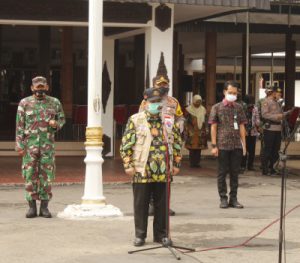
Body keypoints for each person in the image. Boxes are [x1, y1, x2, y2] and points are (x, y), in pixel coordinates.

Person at [120, 87, 182, 247]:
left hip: (163, 169)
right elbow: (126, 144)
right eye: (152, 102)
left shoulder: (168, 119)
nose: (156, 105)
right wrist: (128, 164)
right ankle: (140, 235)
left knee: (162, 205)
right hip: (142, 169)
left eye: (158, 102)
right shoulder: (135, 119)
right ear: (145, 102)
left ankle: (161, 235)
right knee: (141, 204)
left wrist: (176, 163)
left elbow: (176, 142)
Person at [15, 76, 65, 218]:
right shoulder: (24, 103)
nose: (40, 90)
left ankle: (44, 207)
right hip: (29, 147)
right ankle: (31, 207)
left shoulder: (54, 102)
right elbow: (19, 126)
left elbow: (61, 118)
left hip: (47, 146)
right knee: (29, 175)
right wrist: (19, 145)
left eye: (42, 87)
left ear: (47, 87)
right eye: (37, 87)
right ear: (32, 88)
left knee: (47, 176)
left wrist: (56, 124)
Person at [139, 75, 184, 216]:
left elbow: (180, 117)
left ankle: (164, 205)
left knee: (167, 176)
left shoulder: (173, 102)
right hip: (151, 144)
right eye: (160, 84)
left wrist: (178, 127)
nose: (163, 87)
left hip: (168, 143)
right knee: (151, 174)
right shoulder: (146, 102)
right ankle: (152, 205)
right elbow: (140, 119)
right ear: (153, 86)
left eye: (166, 84)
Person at [208, 81, 247, 209]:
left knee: (235, 173)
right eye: (230, 93)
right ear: (225, 92)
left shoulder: (239, 107)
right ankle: (223, 198)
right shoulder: (217, 107)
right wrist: (214, 146)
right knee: (222, 173)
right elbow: (213, 127)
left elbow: (241, 126)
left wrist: (244, 145)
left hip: (236, 145)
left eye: (235, 93)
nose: (233, 95)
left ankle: (233, 199)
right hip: (222, 144)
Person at [261, 86, 291, 176]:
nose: (280, 95)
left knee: (276, 150)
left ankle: (273, 168)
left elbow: (280, 115)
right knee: (268, 150)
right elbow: (264, 115)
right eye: (278, 93)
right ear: (273, 93)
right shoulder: (266, 102)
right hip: (269, 129)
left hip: (278, 129)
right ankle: (265, 170)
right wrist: (277, 116)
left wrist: (288, 113)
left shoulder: (277, 103)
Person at [184, 94, 207, 168]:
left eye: (199, 102)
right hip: (192, 131)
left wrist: (206, 130)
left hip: (200, 131)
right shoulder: (188, 109)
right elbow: (185, 120)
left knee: (198, 149)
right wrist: (186, 130)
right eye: (197, 101)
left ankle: (197, 163)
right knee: (192, 149)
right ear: (193, 101)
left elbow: (205, 121)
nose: (198, 103)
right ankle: (192, 163)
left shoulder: (203, 109)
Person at [241, 95, 260, 171]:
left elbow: (257, 118)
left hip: (252, 132)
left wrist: (257, 124)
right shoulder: (242, 108)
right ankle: (242, 165)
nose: (251, 102)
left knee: (252, 150)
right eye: (250, 100)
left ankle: (250, 165)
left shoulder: (255, 108)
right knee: (244, 149)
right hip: (244, 132)